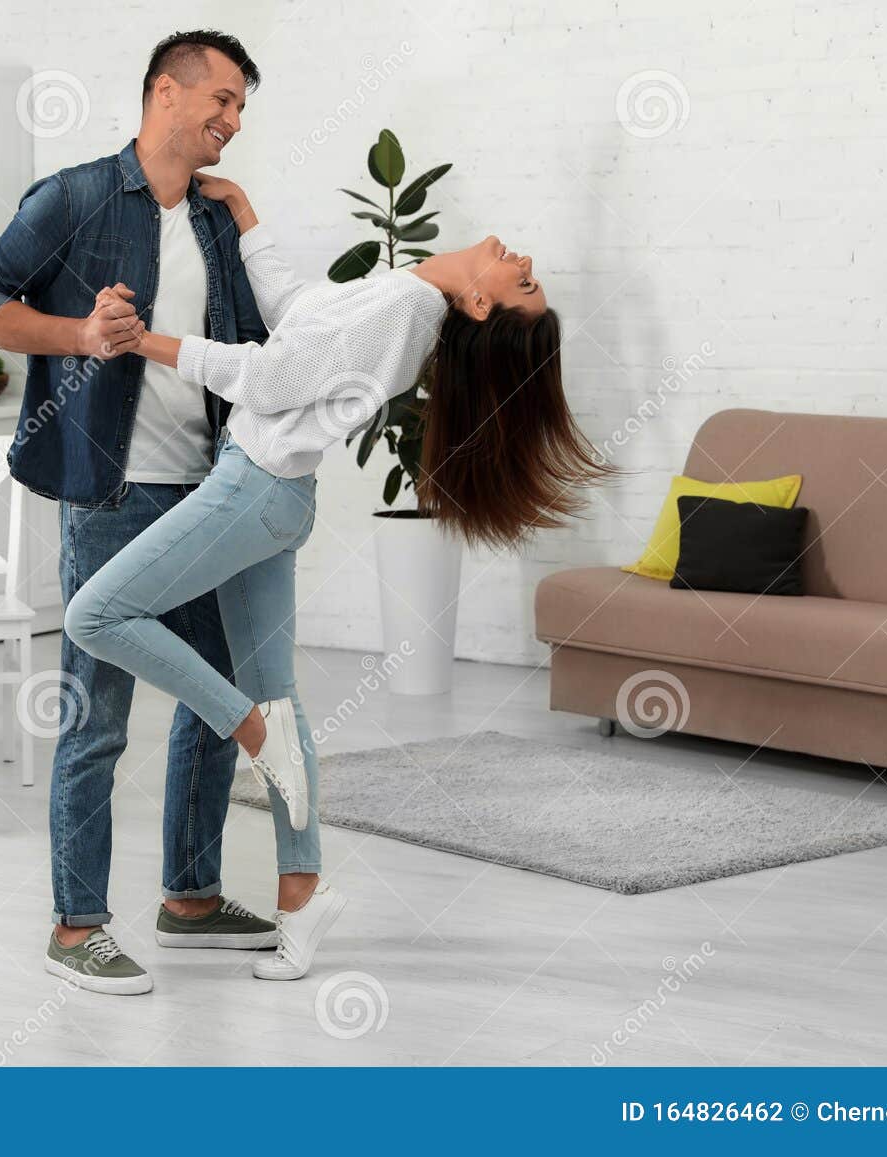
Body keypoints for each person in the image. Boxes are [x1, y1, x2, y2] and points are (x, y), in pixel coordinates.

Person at [64, 175, 611, 980]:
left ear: (485, 308)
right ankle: (302, 897)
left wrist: (142, 341)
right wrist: (249, 213)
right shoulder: (406, 295)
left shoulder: (406, 311)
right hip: (271, 493)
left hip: (251, 491)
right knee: (278, 695)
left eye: (522, 279)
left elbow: (270, 379)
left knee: (94, 614)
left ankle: (247, 727)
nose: (520, 257)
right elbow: (299, 312)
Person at [0, 31, 276, 997]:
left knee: (216, 699)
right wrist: (79, 335)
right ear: (165, 95)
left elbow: (256, 349)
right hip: (109, 490)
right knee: (97, 714)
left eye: (241, 110)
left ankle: (190, 895)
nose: (230, 122)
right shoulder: (76, 197)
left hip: (207, 491)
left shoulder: (216, 220)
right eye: (220, 101)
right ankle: (77, 923)